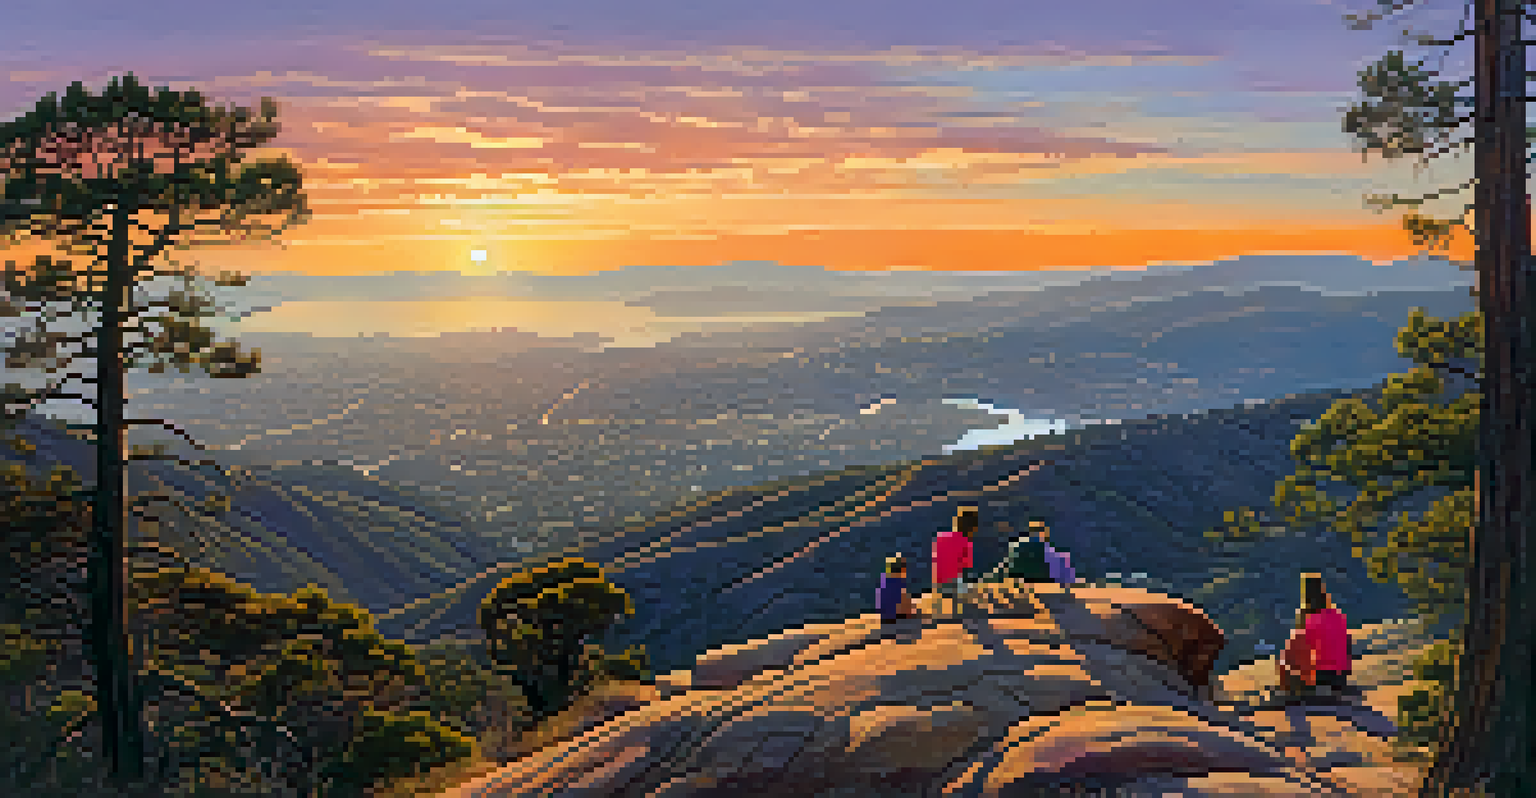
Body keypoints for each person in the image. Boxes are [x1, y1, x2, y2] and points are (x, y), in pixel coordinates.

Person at [1277, 572, 1353, 696]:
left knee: (1286, 660)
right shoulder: (1337, 615)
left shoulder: (1308, 619)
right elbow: (1347, 644)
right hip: (1341, 677)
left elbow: (1297, 651)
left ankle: (1294, 689)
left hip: (1322, 677)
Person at [986, 519, 1076, 586]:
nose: (1036, 534)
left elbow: (1004, 567)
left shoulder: (1019, 545)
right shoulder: (1021, 546)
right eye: (1035, 530)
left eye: (1037, 530)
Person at [933, 506, 977, 616]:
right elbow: (967, 565)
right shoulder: (966, 542)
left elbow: (936, 560)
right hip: (955, 586)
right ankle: (961, 613)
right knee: (966, 580)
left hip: (938, 582)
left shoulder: (941, 537)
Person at [875, 553, 916, 622]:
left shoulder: (884, 579)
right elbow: (903, 600)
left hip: (883, 616)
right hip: (894, 618)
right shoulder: (898, 581)